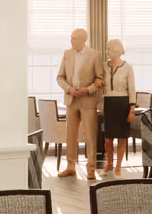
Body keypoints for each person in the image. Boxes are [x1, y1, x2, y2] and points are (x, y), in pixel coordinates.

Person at [55, 28, 106, 179]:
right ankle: (71, 166)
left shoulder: (95, 55)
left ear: (84, 40)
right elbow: (60, 78)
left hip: (88, 101)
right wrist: (69, 89)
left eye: (74, 38)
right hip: (71, 100)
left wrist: (88, 90)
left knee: (90, 136)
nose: (71, 41)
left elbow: (100, 80)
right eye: (71, 38)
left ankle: (91, 169)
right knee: (70, 136)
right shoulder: (67, 54)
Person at [101, 38, 134, 177]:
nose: (107, 52)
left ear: (116, 51)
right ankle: (109, 164)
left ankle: (118, 167)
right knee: (108, 139)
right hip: (108, 103)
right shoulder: (103, 66)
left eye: (109, 49)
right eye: (106, 48)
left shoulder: (128, 67)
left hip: (123, 104)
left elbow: (132, 89)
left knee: (121, 137)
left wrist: (131, 110)